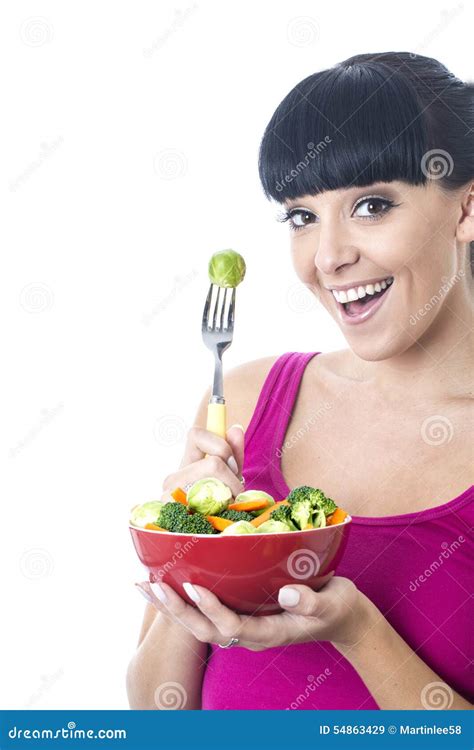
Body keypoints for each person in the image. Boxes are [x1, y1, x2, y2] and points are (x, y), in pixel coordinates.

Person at [127, 52, 473, 710]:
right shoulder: (249, 404)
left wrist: (358, 631)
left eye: (372, 205)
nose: (329, 257)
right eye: (302, 216)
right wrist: (195, 547)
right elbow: (155, 713)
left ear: (465, 211)